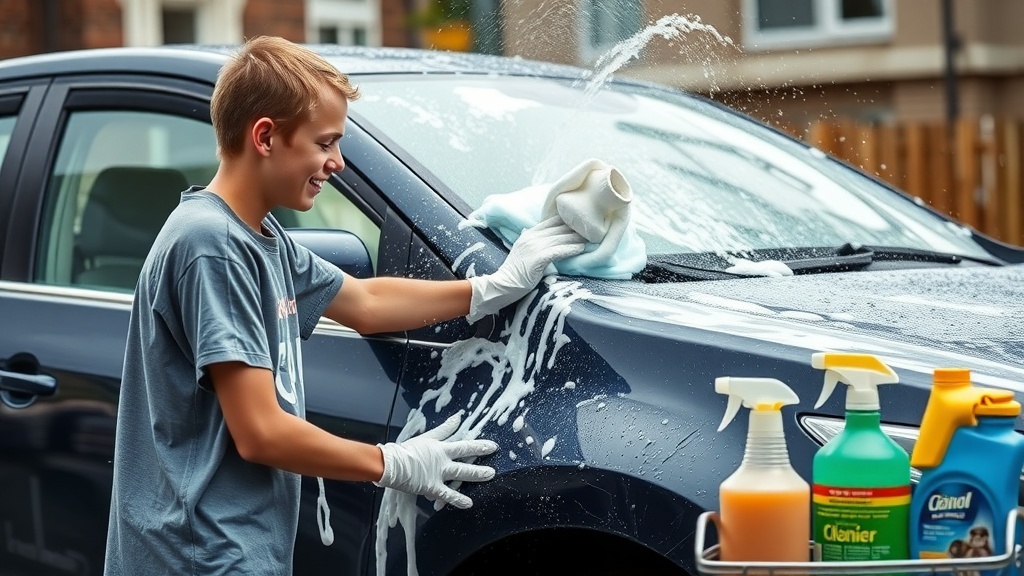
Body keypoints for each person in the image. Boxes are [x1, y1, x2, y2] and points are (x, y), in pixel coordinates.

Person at [102, 35, 586, 575]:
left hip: (222, 549)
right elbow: (260, 431)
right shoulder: (211, 247)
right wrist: (390, 463)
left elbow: (364, 301)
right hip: (196, 556)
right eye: (325, 142)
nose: (336, 162)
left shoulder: (260, 237)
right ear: (265, 136)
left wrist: (490, 287)